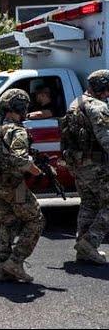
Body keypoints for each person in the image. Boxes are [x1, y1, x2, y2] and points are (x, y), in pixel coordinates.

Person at [0, 88, 45, 282]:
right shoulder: (17, 130)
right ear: (18, 106)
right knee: (36, 220)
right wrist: (38, 172)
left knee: (8, 223)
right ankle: (15, 261)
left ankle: (0, 268)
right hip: (15, 186)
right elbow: (20, 160)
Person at [63, 70, 109, 264]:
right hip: (95, 165)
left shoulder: (75, 104)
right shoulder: (97, 107)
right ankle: (89, 243)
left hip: (79, 165)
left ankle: (83, 246)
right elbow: (106, 139)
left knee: (89, 203)